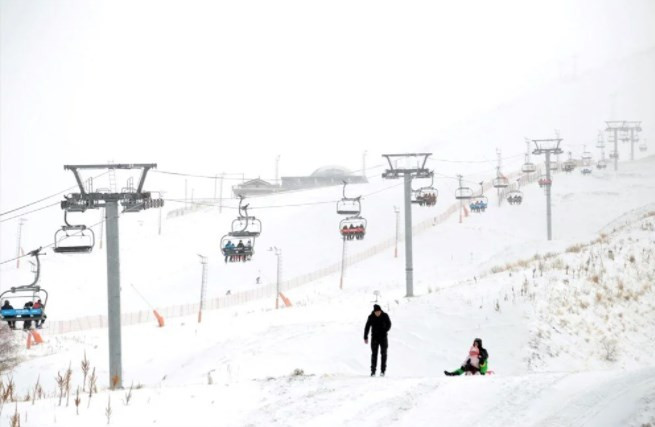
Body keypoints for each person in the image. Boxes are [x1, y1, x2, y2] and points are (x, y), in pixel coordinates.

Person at [364, 304, 392, 377]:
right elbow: (367, 327)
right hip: (375, 338)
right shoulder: (371, 317)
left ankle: (383, 371)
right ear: (374, 312)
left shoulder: (385, 315)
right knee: (374, 354)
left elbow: (389, 324)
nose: (377, 313)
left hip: (383, 338)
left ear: (380, 310)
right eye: (376, 312)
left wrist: (385, 330)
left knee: (384, 354)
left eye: (379, 312)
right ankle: (373, 371)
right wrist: (365, 336)